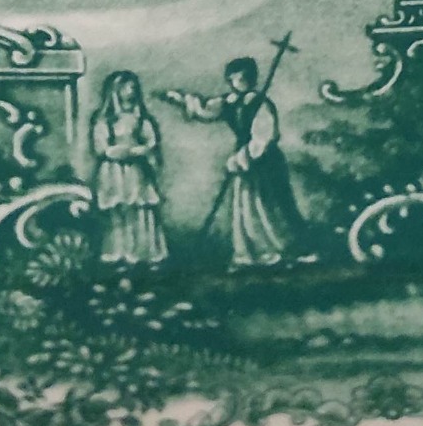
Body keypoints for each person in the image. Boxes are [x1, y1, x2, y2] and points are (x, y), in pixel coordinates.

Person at [166, 55, 307, 269]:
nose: (237, 83)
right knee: (247, 206)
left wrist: (244, 157)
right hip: (244, 160)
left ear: (251, 78)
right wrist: (182, 100)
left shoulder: (260, 104)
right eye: (233, 79)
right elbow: (206, 109)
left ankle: (283, 248)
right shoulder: (229, 102)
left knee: (271, 204)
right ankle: (252, 252)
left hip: (265, 161)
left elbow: (264, 136)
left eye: (241, 78)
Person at [89, 70, 167, 270]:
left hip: (136, 172)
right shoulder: (105, 120)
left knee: (140, 210)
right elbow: (101, 148)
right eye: (127, 87)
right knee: (118, 212)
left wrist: (138, 150)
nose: (131, 90)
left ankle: (144, 254)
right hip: (113, 173)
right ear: (116, 90)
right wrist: (121, 151)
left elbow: (151, 142)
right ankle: (118, 254)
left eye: (133, 87)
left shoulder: (140, 119)